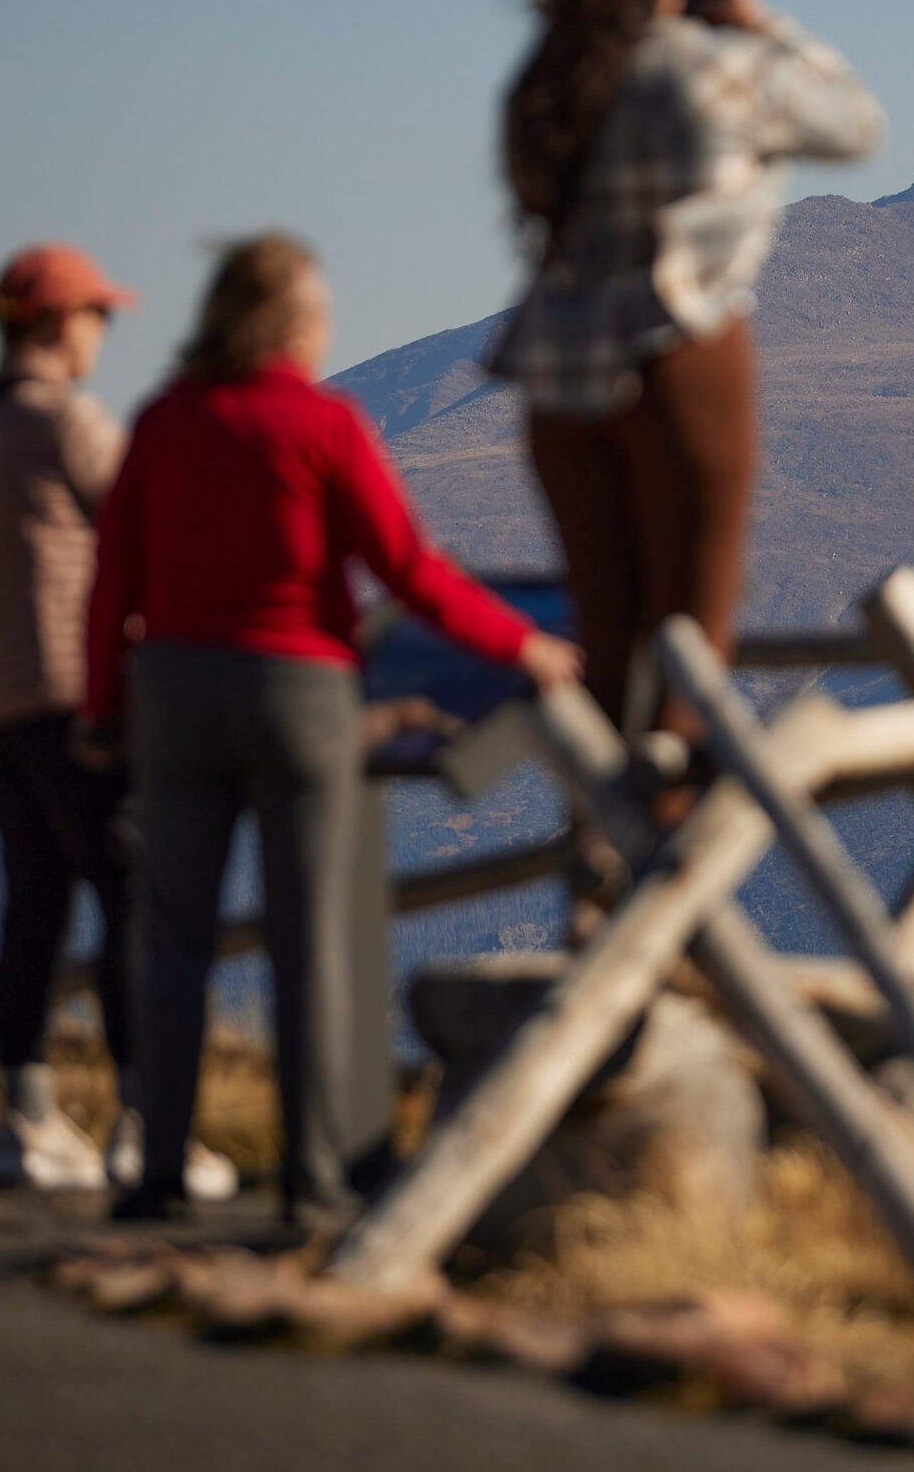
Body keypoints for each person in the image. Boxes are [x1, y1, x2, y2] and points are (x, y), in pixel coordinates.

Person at [87, 232, 582, 1222]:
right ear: (293, 326)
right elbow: (410, 571)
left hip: (176, 692)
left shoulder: (163, 423)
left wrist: (105, 710)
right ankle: (310, 1186)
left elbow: (112, 587)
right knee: (306, 943)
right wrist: (524, 646)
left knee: (172, 944)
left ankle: (155, 1176)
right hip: (298, 695)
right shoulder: (322, 425)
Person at [487, 0, 881, 775]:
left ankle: (597, 863)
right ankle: (673, 852)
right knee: (690, 638)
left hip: (557, 372)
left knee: (604, 635)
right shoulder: (703, 69)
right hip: (679, 352)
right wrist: (764, 27)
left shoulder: (541, 83)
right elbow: (856, 125)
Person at [0, 245, 236, 1202]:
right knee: (130, 895)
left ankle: (24, 1118)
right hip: (73, 687)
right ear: (57, 322)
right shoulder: (65, 420)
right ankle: (146, 1123)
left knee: (33, 901)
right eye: (96, 317)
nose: (102, 335)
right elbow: (143, 521)